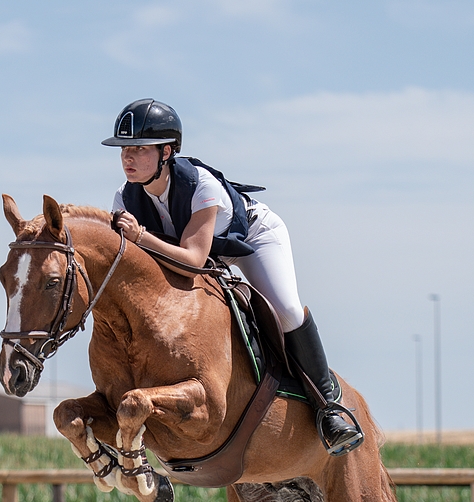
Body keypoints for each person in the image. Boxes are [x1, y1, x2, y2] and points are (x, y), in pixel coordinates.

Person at [102, 98, 363, 456]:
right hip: (201, 254)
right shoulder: (124, 198)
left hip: (252, 239)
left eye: (140, 150)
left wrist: (140, 237)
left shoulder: (201, 185)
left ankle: (330, 409)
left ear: (167, 152)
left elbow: (194, 258)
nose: (128, 159)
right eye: (124, 151)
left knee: (285, 308)